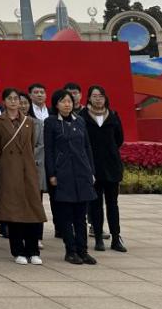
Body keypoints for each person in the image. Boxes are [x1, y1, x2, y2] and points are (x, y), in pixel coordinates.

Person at [0, 88, 46, 265]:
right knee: (14, 211)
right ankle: (18, 250)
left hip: (28, 170)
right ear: (4, 101)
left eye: (17, 99)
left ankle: (33, 250)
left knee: (32, 209)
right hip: (9, 170)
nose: (14, 102)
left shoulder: (29, 122)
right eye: (10, 98)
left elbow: (31, 144)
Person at [45, 88, 97, 265]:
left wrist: (91, 171)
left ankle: (83, 251)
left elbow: (87, 147)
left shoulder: (80, 121)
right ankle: (71, 251)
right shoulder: (51, 122)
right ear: (56, 104)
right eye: (63, 101)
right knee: (66, 216)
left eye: (69, 101)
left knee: (81, 216)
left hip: (82, 172)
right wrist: (51, 174)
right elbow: (49, 150)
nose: (67, 104)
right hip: (63, 173)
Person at [82, 85, 126, 253]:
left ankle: (116, 238)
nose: (98, 99)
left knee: (112, 204)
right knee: (95, 204)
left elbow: (119, 139)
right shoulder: (83, 116)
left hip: (111, 166)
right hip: (92, 167)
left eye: (101, 96)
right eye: (94, 96)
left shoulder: (113, 115)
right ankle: (99, 237)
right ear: (89, 98)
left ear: (105, 98)